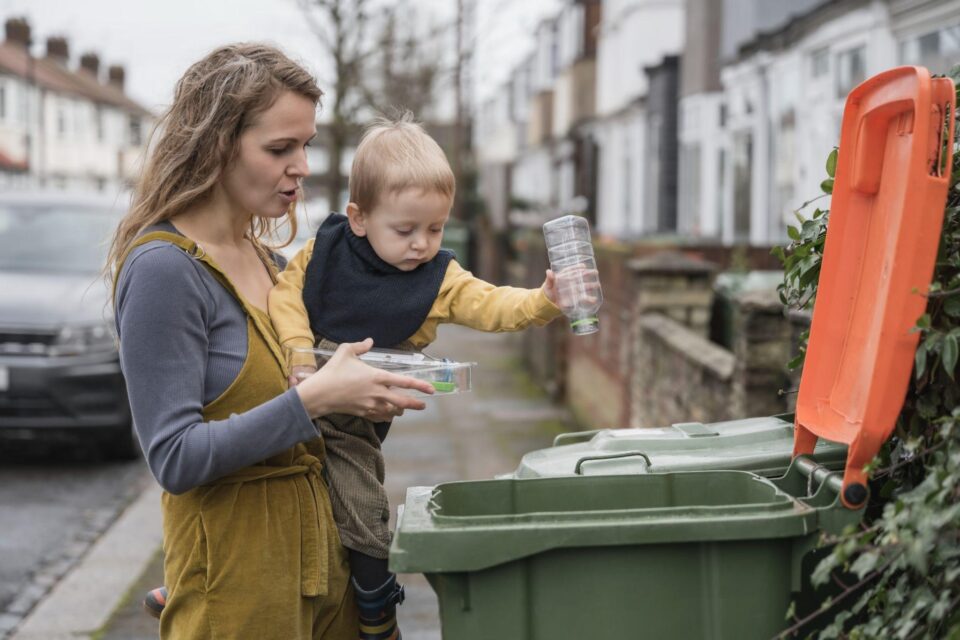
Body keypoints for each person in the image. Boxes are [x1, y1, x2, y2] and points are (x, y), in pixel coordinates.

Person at [108, 44, 433, 640]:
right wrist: (314, 401)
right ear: (215, 146)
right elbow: (174, 458)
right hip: (238, 596)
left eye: (306, 144)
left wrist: (365, 393)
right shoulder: (165, 271)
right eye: (280, 148)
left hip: (326, 580)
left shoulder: (275, 262)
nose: (302, 166)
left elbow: (315, 420)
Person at [267, 112, 563, 639]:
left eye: (436, 228)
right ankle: (202, 581)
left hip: (349, 423)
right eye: (404, 230)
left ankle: (374, 600)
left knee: (361, 502)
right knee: (267, 487)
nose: (422, 244)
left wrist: (543, 302)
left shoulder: (438, 278)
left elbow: (491, 303)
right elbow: (284, 295)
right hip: (294, 387)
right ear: (358, 218)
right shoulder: (324, 249)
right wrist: (298, 355)